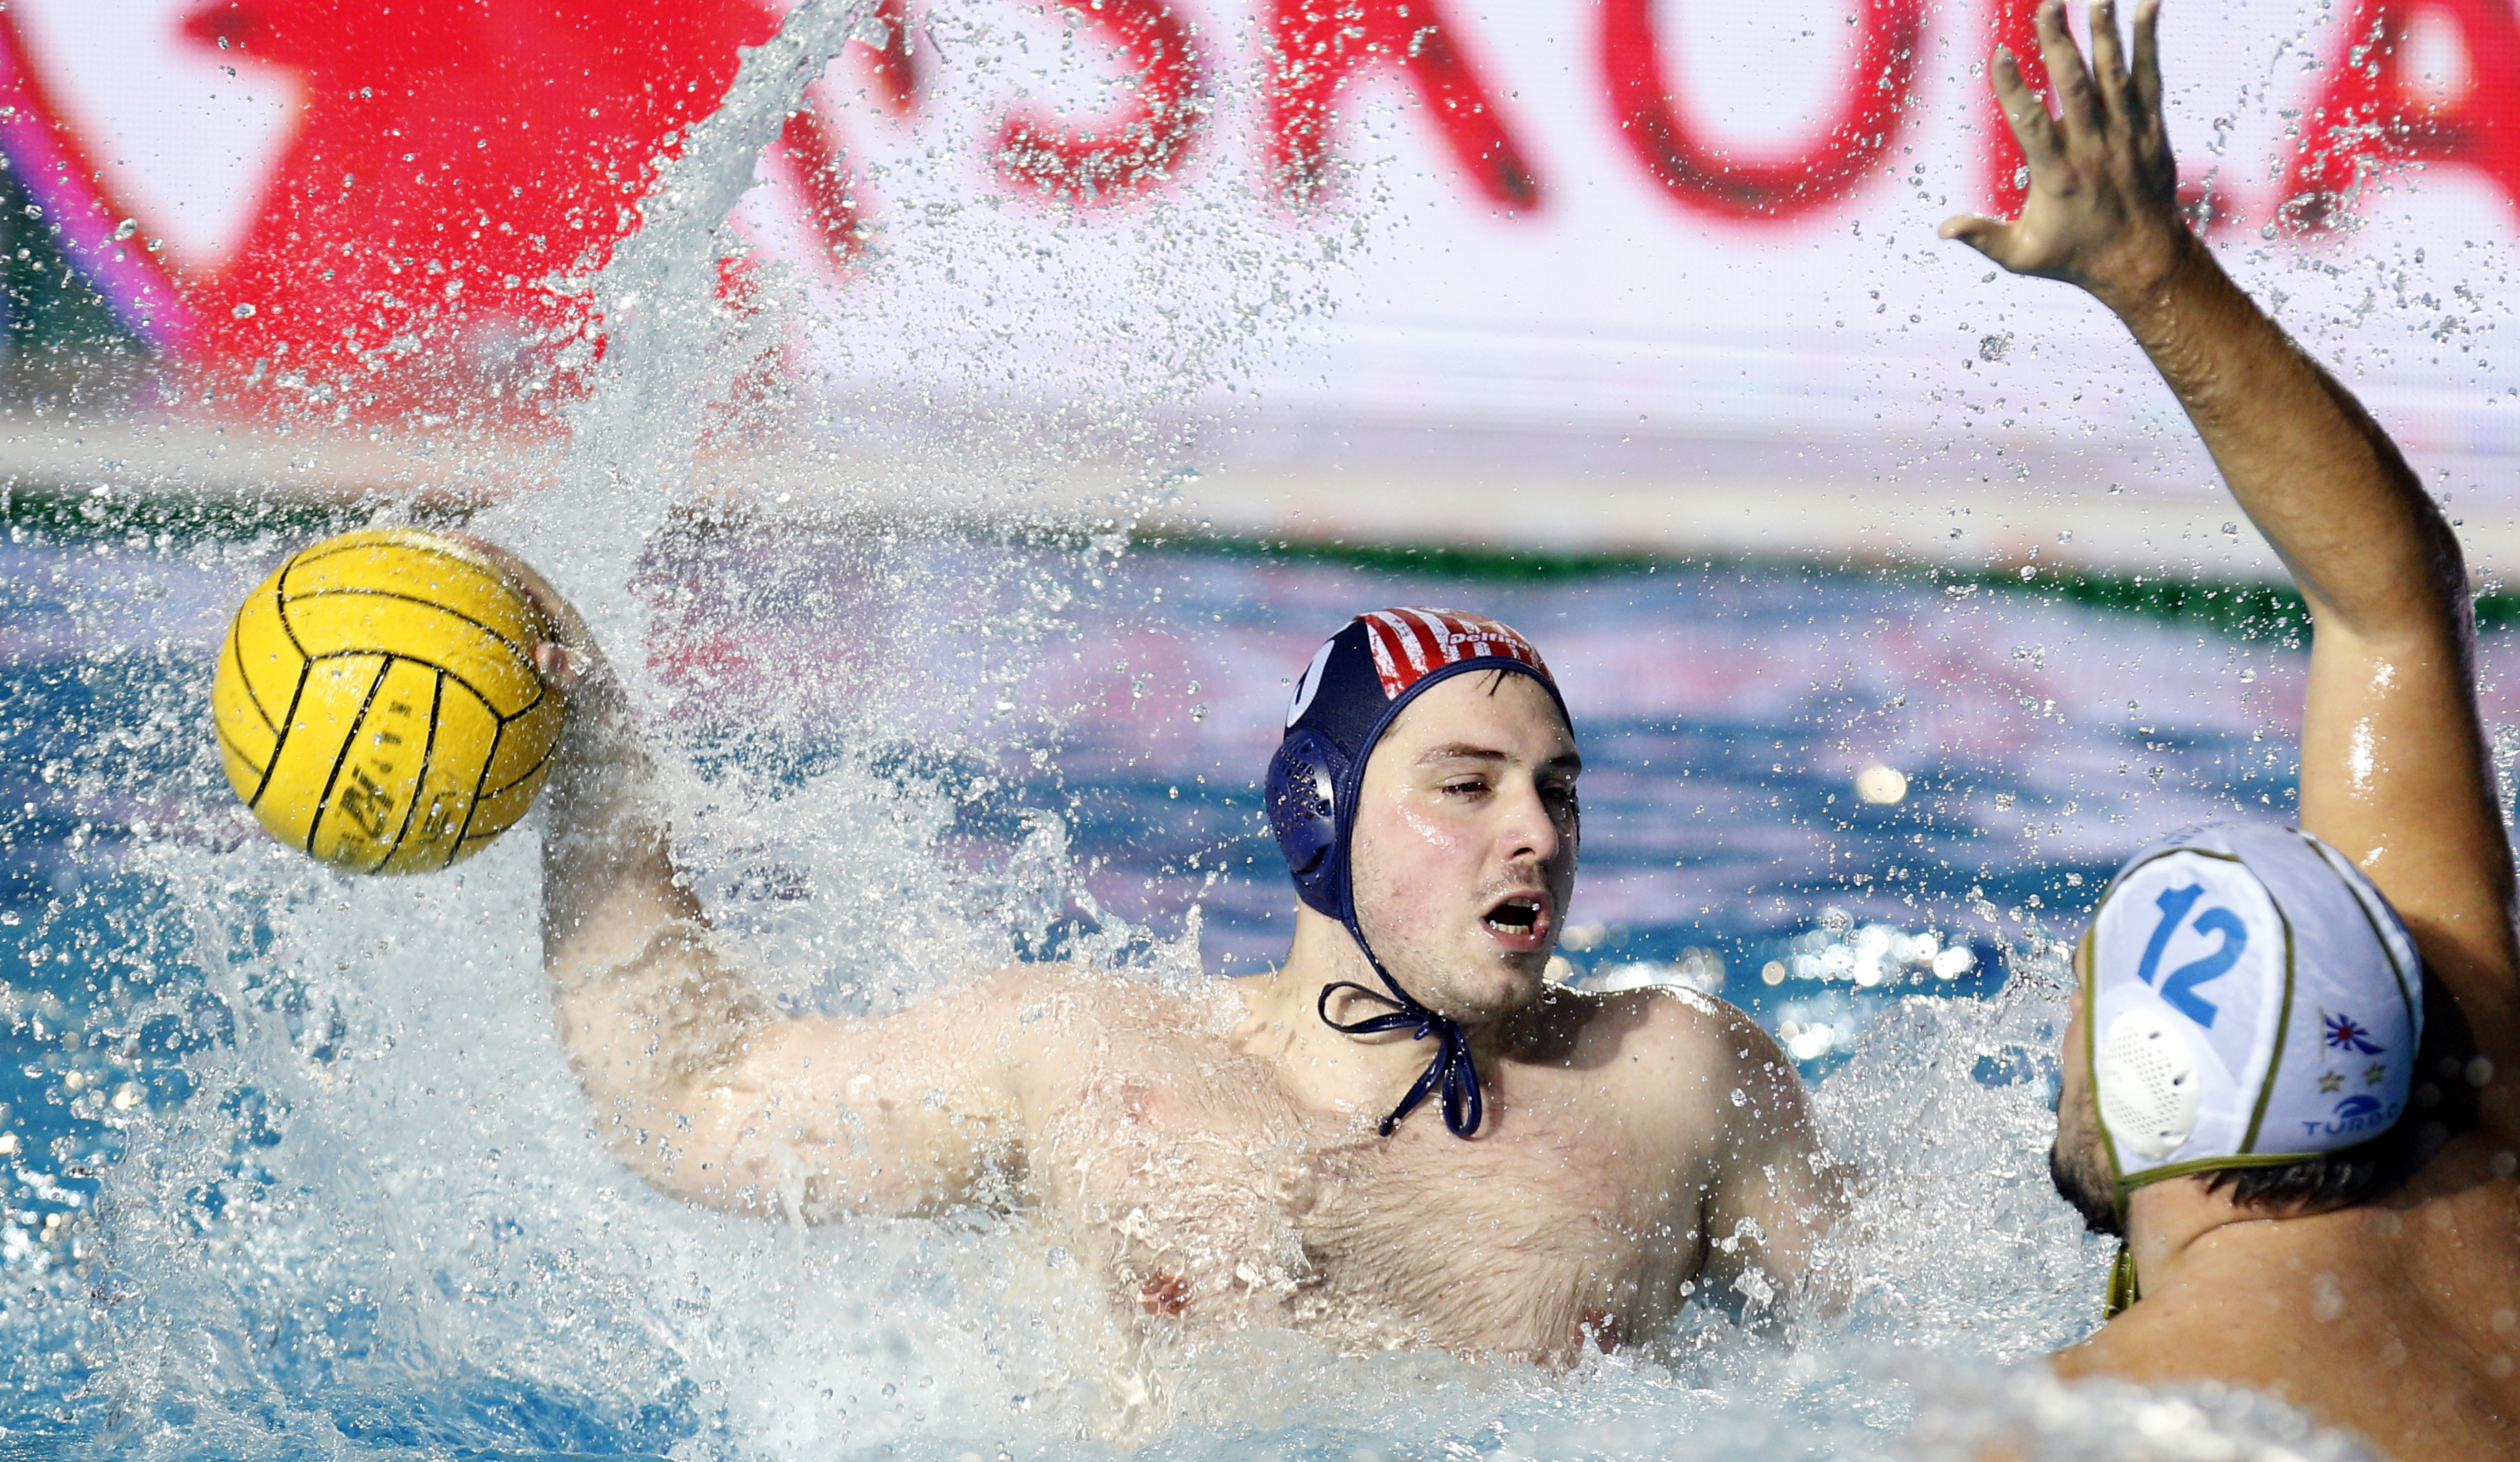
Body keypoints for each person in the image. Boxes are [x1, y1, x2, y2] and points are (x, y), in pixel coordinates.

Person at [1891, 0, 2520, 1462]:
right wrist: (2153, 272)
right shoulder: (2481, 1194)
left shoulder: (2075, 1443)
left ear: (2135, 1075)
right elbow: (2394, 598)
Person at [488, 578, 1844, 1367]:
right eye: (1467, 785)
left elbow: (1914, 1359)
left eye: (1555, 790)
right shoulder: (1079, 1058)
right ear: (1319, 813)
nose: (1535, 833)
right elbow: (691, 1097)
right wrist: (595, 757)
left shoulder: (1673, 1078)